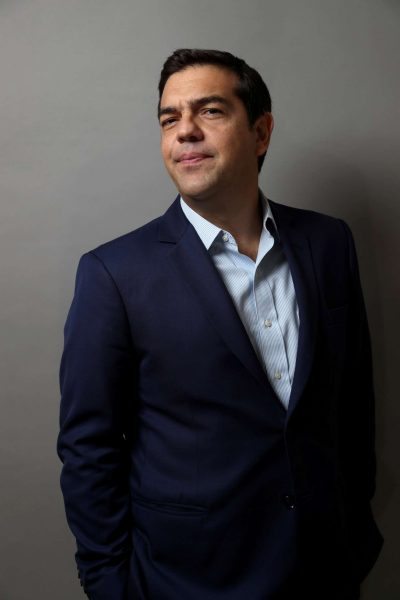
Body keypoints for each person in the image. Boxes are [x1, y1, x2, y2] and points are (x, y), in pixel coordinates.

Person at [57, 49, 383, 600]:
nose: (185, 131)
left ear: (261, 132)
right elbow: (88, 447)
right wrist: (111, 583)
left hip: (326, 568)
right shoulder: (113, 274)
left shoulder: (328, 243)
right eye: (169, 119)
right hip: (189, 580)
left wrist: (353, 530)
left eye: (209, 111)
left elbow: (352, 399)